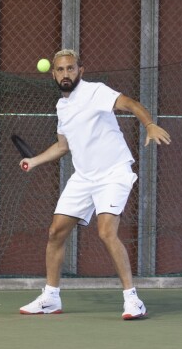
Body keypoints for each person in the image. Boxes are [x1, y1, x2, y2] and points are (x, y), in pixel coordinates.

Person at [19, 49, 171, 320]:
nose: (66, 74)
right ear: (53, 74)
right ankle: (51, 298)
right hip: (84, 177)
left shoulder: (96, 92)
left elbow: (131, 104)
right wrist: (35, 161)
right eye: (61, 70)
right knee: (55, 232)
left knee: (106, 231)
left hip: (113, 173)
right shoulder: (62, 107)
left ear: (80, 71)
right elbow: (63, 146)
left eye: (71, 68)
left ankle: (133, 300)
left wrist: (149, 124)